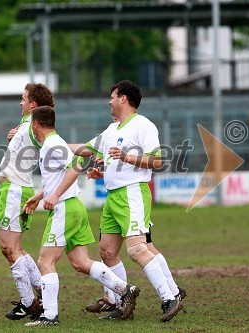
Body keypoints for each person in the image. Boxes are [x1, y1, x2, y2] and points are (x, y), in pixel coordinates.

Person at [69, 80, 183, 322]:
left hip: (132, 194)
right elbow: (86, 149)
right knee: (107, 252)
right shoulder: (112, 130)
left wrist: (127, 157)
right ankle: (122, 303)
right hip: (113, 197)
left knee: (138, 248)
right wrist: (50, 144)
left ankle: (170, 297)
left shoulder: (143, 125)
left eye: (112, 97)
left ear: (123, 98)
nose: (109, 102)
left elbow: (158, 161)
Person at [22, 105, 140, 327]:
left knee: (45, 261)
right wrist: (41, 196)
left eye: (31, 124)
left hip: (65, 208)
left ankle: (49, 316)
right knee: (80, 262)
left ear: (35, 124)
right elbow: (57, 176)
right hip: (73, 208)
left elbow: (77, 165)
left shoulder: (52, 145)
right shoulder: (53, 143)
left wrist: (55, 195)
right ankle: (124, 289)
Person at [84, 162, 187, 319]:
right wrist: (106, 172)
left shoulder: (137, 139)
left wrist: (123, 157)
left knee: (142, 247)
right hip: (122, 195)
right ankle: (116, 300)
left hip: (134, 196)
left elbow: (152, 160)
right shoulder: (115, 141)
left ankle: (172, 294)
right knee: (123, 249)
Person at [0, 83, 54, 320]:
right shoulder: (27, 125)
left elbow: (44, 141)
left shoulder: (33, 126)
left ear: (33, 105)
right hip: (12, 190)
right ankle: (43, 292)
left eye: (23, 99)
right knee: (14, 248)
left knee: (9, 248)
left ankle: (30, 303)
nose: (20, 102)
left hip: (15, 191)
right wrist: (15, 133)